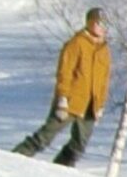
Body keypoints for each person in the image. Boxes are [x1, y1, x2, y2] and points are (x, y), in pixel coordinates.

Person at [12, 9, 110, 168]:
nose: (102, 28)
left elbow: (104, 80)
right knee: (45, 137)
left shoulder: (104, 50)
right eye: (99, 23)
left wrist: (100, 105)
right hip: (71, 102)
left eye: (105, 24)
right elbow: (65, 72)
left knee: (79, 145)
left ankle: (61, 170)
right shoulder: (76, 43)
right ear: (90, 23)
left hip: (90, 107)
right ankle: (14, 159)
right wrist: (62, 98)